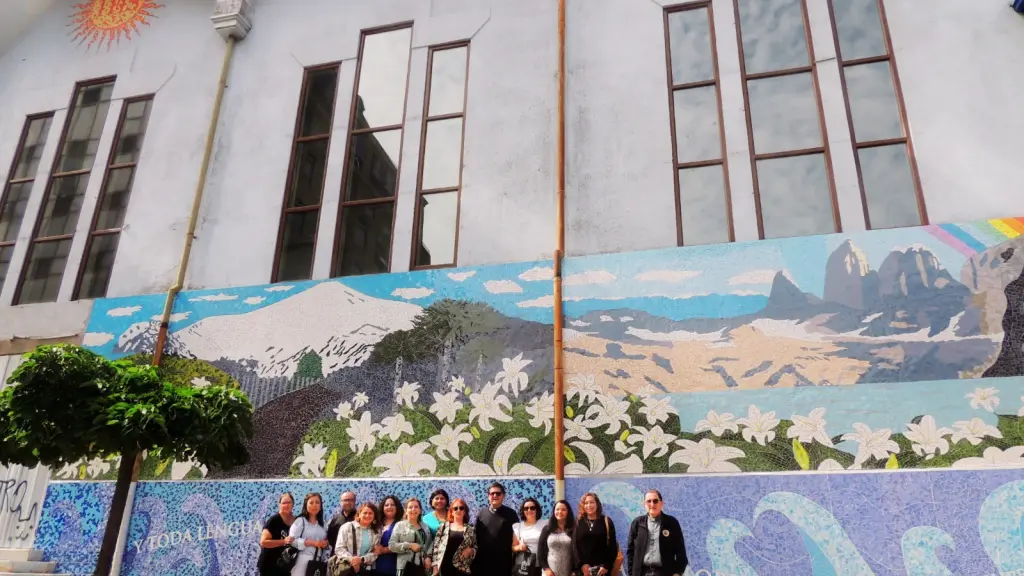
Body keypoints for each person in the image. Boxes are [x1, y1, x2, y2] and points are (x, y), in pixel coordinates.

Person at [626, 490, 687, 576]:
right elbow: (630, 552)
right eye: (648, 501)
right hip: (641, 573)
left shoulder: (671, 523)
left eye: (655, 501)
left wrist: (678, 572)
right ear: (644, 504)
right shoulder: (637, 523)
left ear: (661, 503)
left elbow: (681, 551)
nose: (652, 504)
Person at [473, 482, 519, 576]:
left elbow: (517, 537)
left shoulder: (511, 514)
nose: (495, 495)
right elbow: (475, 537)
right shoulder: (481, 514)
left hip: (504, 564)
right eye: (492, 493)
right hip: (483, 563)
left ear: (503, 495)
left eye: (498, 493)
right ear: (488, 496)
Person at [428, 498, 477, 576]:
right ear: (451, 512)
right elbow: (435, 547)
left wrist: (471, 550)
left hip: (462, 569)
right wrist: (435, 567)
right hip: (444, 568)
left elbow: (475, 546)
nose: (458, 510)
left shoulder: (471, 529)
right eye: (455, 508)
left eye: (461, 508)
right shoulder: (443, 527)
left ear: (464, 511)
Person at [287, 493, 331, 576]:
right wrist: (310, 542)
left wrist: (325, 545)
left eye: (317, 502)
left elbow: (327, 546)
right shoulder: (300, 521)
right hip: (301, 560)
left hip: (317, 562)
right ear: (305, 505)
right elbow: (291, 541)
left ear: (321, 505)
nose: (314, 505)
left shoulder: (323, 524)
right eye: (311, 503)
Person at [575, 493, 618, 576]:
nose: (589, 505)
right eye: (586, 503)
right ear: (583, 506)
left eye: (591, 502)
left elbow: (613, 547)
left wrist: (606, 566)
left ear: (597, 504)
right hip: (583, 571)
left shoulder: (606, 521)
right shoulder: (578, 522)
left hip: (601, 571)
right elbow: (575, 546)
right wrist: (581, 565)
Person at [389, 497, 434, 576]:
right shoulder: (400, 525)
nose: (413, 509)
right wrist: (409, 545)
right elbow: (391, 546)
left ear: (420, 510)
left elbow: (430, 545)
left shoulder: (425, 527)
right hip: (405, 567)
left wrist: (428, 557)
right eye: (410, 507)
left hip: (422, 567)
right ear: (406, 511)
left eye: (416, 507)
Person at [337, 502, 383, 574]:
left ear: (374, 516)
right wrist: (353, 560)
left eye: (370, 513)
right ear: (359, 514)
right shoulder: (347, 526)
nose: (367, 515)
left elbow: (375, 553)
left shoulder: (376, 532)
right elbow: (339, 549)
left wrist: (361, 559)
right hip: (347, 568)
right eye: (364, 513)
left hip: (364, 570)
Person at [258, 492, 296, 576]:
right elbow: (263, 542)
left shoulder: (297, 521)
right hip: (269, 566)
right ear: (279, 504)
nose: (286, 505)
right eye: (284, 503)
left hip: (286, 566)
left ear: (293, 504)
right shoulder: (273, 521)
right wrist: (283, 541)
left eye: (289, 502)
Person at [538, 500, 577, 576]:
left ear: (568, 512)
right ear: (554, 511)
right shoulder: (547, 529)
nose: (560, 512)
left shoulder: (574, 529)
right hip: (550, 573)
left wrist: (575, 571)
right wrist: (546, 569)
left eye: (563, 510)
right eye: (557, 509)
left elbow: (577, 552)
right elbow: (540, 552)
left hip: (568, 572)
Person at [512, 498, 544, 576]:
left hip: (542, 566)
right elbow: (513, 547)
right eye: (526, 508)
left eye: (532, 508)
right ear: (523, 511)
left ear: (537, 509)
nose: (529, 510)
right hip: (526, 566)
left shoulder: (544, 524)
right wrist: (519, 547)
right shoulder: (518, 526)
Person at [375, 495, 405, 576]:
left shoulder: (402, 524)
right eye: (386, 505)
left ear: (397, 507)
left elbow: (404, 544)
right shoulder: (376, 523)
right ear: (382, 507)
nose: (389, 507)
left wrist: (384, 550)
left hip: (392, 567)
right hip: (373, 567)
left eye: (392, 505)